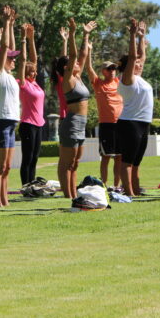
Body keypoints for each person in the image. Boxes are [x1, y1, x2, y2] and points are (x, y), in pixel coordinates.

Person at [57, 18, 95, 199]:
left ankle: (74, 193)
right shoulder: (68, 79)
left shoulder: (77, 77)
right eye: (73, 64)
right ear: (66, 68)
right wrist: (72, 34)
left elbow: (83, 54)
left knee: (76, 162)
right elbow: (73, 56)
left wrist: (86, 34)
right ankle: (68, 195)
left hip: (81, 124)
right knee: (67, 162)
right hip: (71, 123)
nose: (78, 64)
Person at [0, 5, 20, 207]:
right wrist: (6, 23)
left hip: (10, 124)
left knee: (7, 167)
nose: (14, 61)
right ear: (2, 60)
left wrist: (12, 27)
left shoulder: (9, 76)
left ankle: (5, 199)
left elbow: (10, 46)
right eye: (10, 59)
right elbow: (6, 47)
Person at [117, 19, 153, 197]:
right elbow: (133, 57)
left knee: (137, 162)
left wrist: (142, 37)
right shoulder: (127, 79)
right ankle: (129, 192)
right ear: (127, 67)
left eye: (140, 62)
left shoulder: (139, 78)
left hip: (143, 123)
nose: (139, 63)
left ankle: (137, 191)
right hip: (130, 123)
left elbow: (141, 57)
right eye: (135, 63)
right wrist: (132, 36)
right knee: (128, 161)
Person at [85, 42, 123, 188]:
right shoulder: (98, 83)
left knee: (119, 157)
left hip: (120, 124)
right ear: (103, 71)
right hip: (106, 125)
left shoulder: (120, 82)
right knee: (106, 157)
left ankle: (116, 186)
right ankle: (104, 186)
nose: (113, 70)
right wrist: (89, 50)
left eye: (114, 68)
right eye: (109, 68)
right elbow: (88, 68)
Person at [17, 23, 45, 185]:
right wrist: (23, 40)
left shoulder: (35, 84)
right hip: (27, 124)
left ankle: (32, 184)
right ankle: (25, 186)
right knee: (27, 157)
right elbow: (25, 60)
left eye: (34, 71)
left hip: (39, 124)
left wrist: (32, 38)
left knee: (35, 157)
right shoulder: (23, 83)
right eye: (31, 71)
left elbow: (34, 60)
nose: (34, 72)